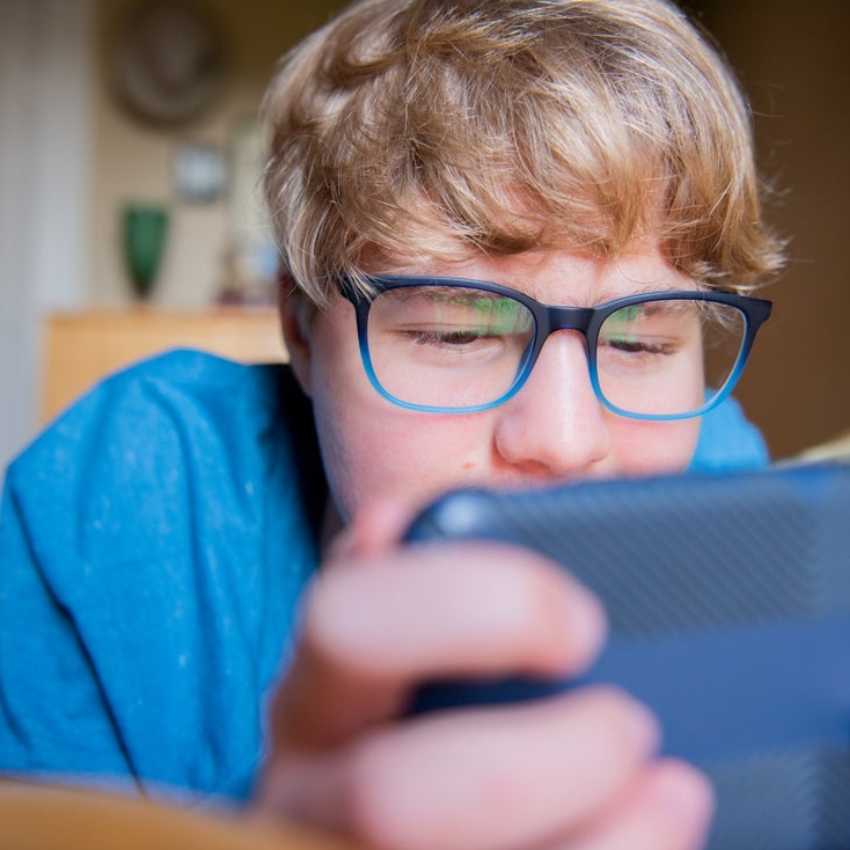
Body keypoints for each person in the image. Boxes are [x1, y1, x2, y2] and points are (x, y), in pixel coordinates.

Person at [0, 0, 783, 848]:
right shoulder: (112, 500)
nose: (563, 441)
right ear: (301, 329)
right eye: (455, 331)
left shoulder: (731, 497)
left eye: (642, 339)